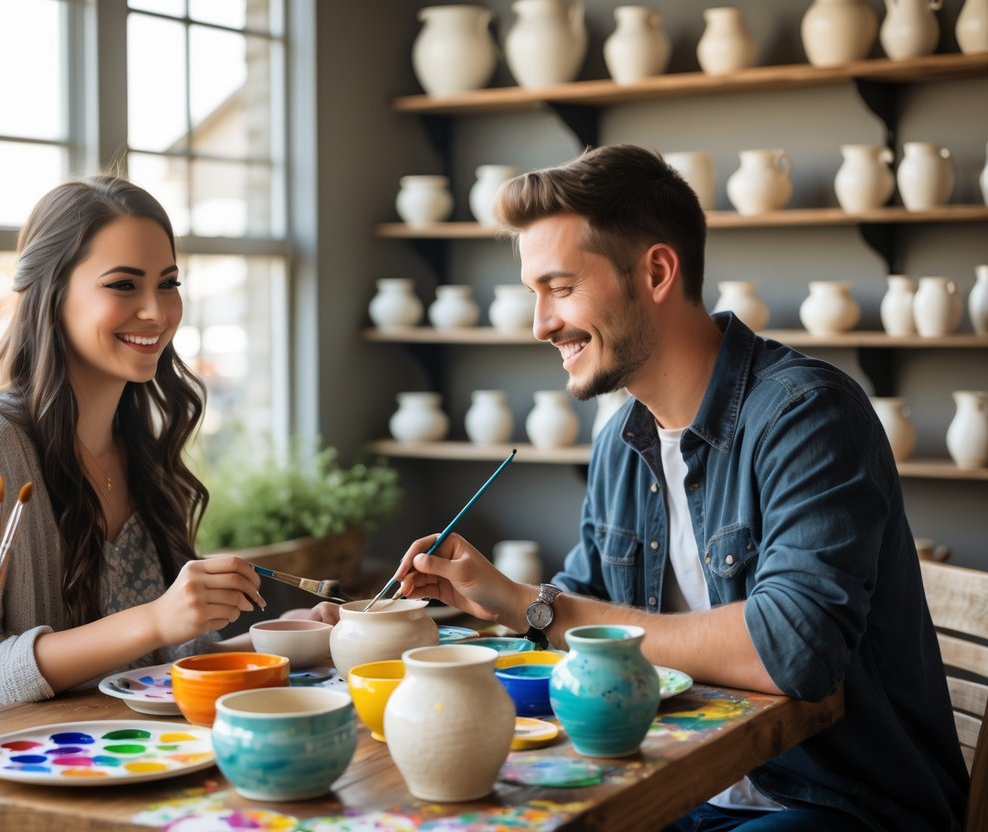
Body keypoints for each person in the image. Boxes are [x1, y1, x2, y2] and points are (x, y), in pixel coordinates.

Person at [395, 145, 969, 830]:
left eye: (560, 287)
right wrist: (443, 617)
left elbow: (792, 652)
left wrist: (536, 608)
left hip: (836, 803)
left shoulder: (807, 416)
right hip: (678, 785)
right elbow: (582, 611)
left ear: (657, 272)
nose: (540, 323)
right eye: (533, 293)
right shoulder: (621, 441)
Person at [0, 176, 336, 729]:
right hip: (20, 785)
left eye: (168, 283)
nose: (156, 310)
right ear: (52, 295)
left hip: (144, 766)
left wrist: (286, 643)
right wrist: (155, 619)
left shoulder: (141, 444)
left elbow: (157, 668)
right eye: (123, 284)